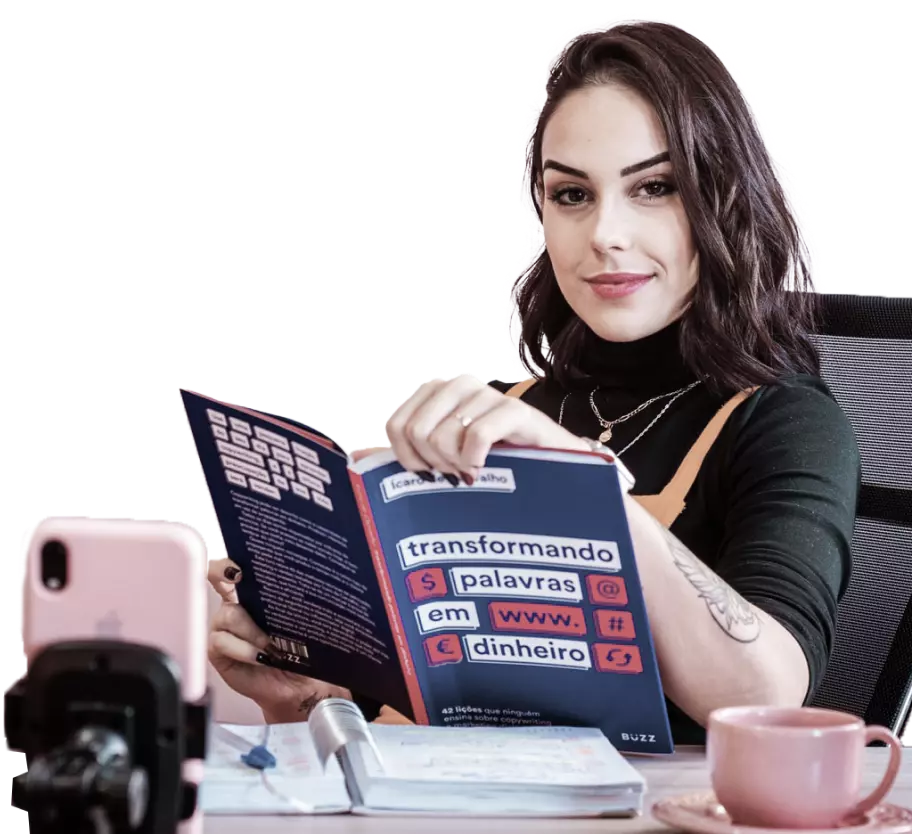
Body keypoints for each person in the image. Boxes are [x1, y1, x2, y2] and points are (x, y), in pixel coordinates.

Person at [207, 17, 860, 743]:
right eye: (572, 195)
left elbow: (769, 692)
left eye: (654, 187)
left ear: (723, 199)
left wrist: (589, 488)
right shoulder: (504, 409)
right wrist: (295, 695)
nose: (605, 233)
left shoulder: (783, 420)